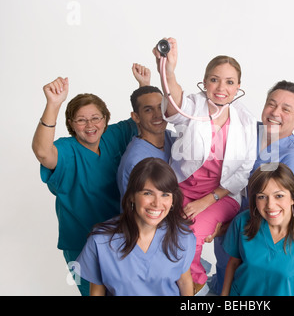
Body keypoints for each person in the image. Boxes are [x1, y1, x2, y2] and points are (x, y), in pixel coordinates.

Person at [153, 37, 257, 295]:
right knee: (160, 232)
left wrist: (207, 201)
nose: (221, 87)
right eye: (214, 79)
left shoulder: (246, 120)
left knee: (192, 232)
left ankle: (190, 285)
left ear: (238, 87)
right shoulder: (194, 105)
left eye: (229, 82)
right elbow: (174, 107)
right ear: (205, 81)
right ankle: (167, 282)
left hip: (221, 195)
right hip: (180, 188)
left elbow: (244, 171)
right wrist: (169, 71)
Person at [31, 69, 143, 295]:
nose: (90, 125)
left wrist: (144, 84)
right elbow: (43, 153)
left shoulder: (114, 135)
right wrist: (53, 104)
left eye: (95, 118)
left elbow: (144, 117)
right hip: (80, 242)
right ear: (71, 124)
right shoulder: (66, 149)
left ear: (105, 118)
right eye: (81, 120)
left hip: (122, 237)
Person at [210, 79, 294, 294]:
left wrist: (225, 229)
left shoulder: (293, 160)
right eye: (272, 104)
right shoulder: (249, 131)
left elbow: (273, 212)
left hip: (249, 243)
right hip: (222, 229)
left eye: (286, 109)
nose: (275, 112)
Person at [76, 157, 196, 296]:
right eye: (148, 193)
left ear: (173, 200)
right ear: (132, 196)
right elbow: (97, 292)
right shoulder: (101, 241)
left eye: (165, 194)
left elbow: (185, 282)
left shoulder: (182, 237)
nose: (157, 203)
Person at [221, 163, 294, 296]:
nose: (270, 205)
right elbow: (233, 264)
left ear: (293, 197)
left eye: (279, 196)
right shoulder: (242, 222)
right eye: (262, 197)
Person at [117, 63, 175, 202]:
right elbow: (138, 213)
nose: (158, 115)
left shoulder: (172, 139)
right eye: (148, 110)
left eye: (160, 107)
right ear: (135, 117)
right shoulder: (135, 161)